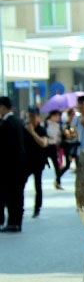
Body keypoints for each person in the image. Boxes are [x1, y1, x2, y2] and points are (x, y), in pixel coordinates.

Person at [0, 97, 26, 232]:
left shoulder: (8, 123)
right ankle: (15, 222)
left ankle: (13, 223)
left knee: (11, 195)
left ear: (4, 107)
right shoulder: (18, 122)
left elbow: (5, 148)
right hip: (18, 166)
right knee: (16, 195)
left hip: (9, 167)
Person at [23, 107, 48, 219]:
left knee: (38, 185)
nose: (30, 119)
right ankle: (20, 207)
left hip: (38, 161)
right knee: (20, 184)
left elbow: (44, 143)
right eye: (29, 116)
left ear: (38, 117)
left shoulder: (41, 130)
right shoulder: (25, 129)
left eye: (33, 116)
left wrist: (33, 133)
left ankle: (37, 208)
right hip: (26, 162)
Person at [45, 110, 68, 190]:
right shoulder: (47, 123)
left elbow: (59, 137)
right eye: (57, 116)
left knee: (56, 165)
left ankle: (58, 181)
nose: (58, 118)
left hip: (54, 146)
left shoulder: (58, 126)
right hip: (46, 146)